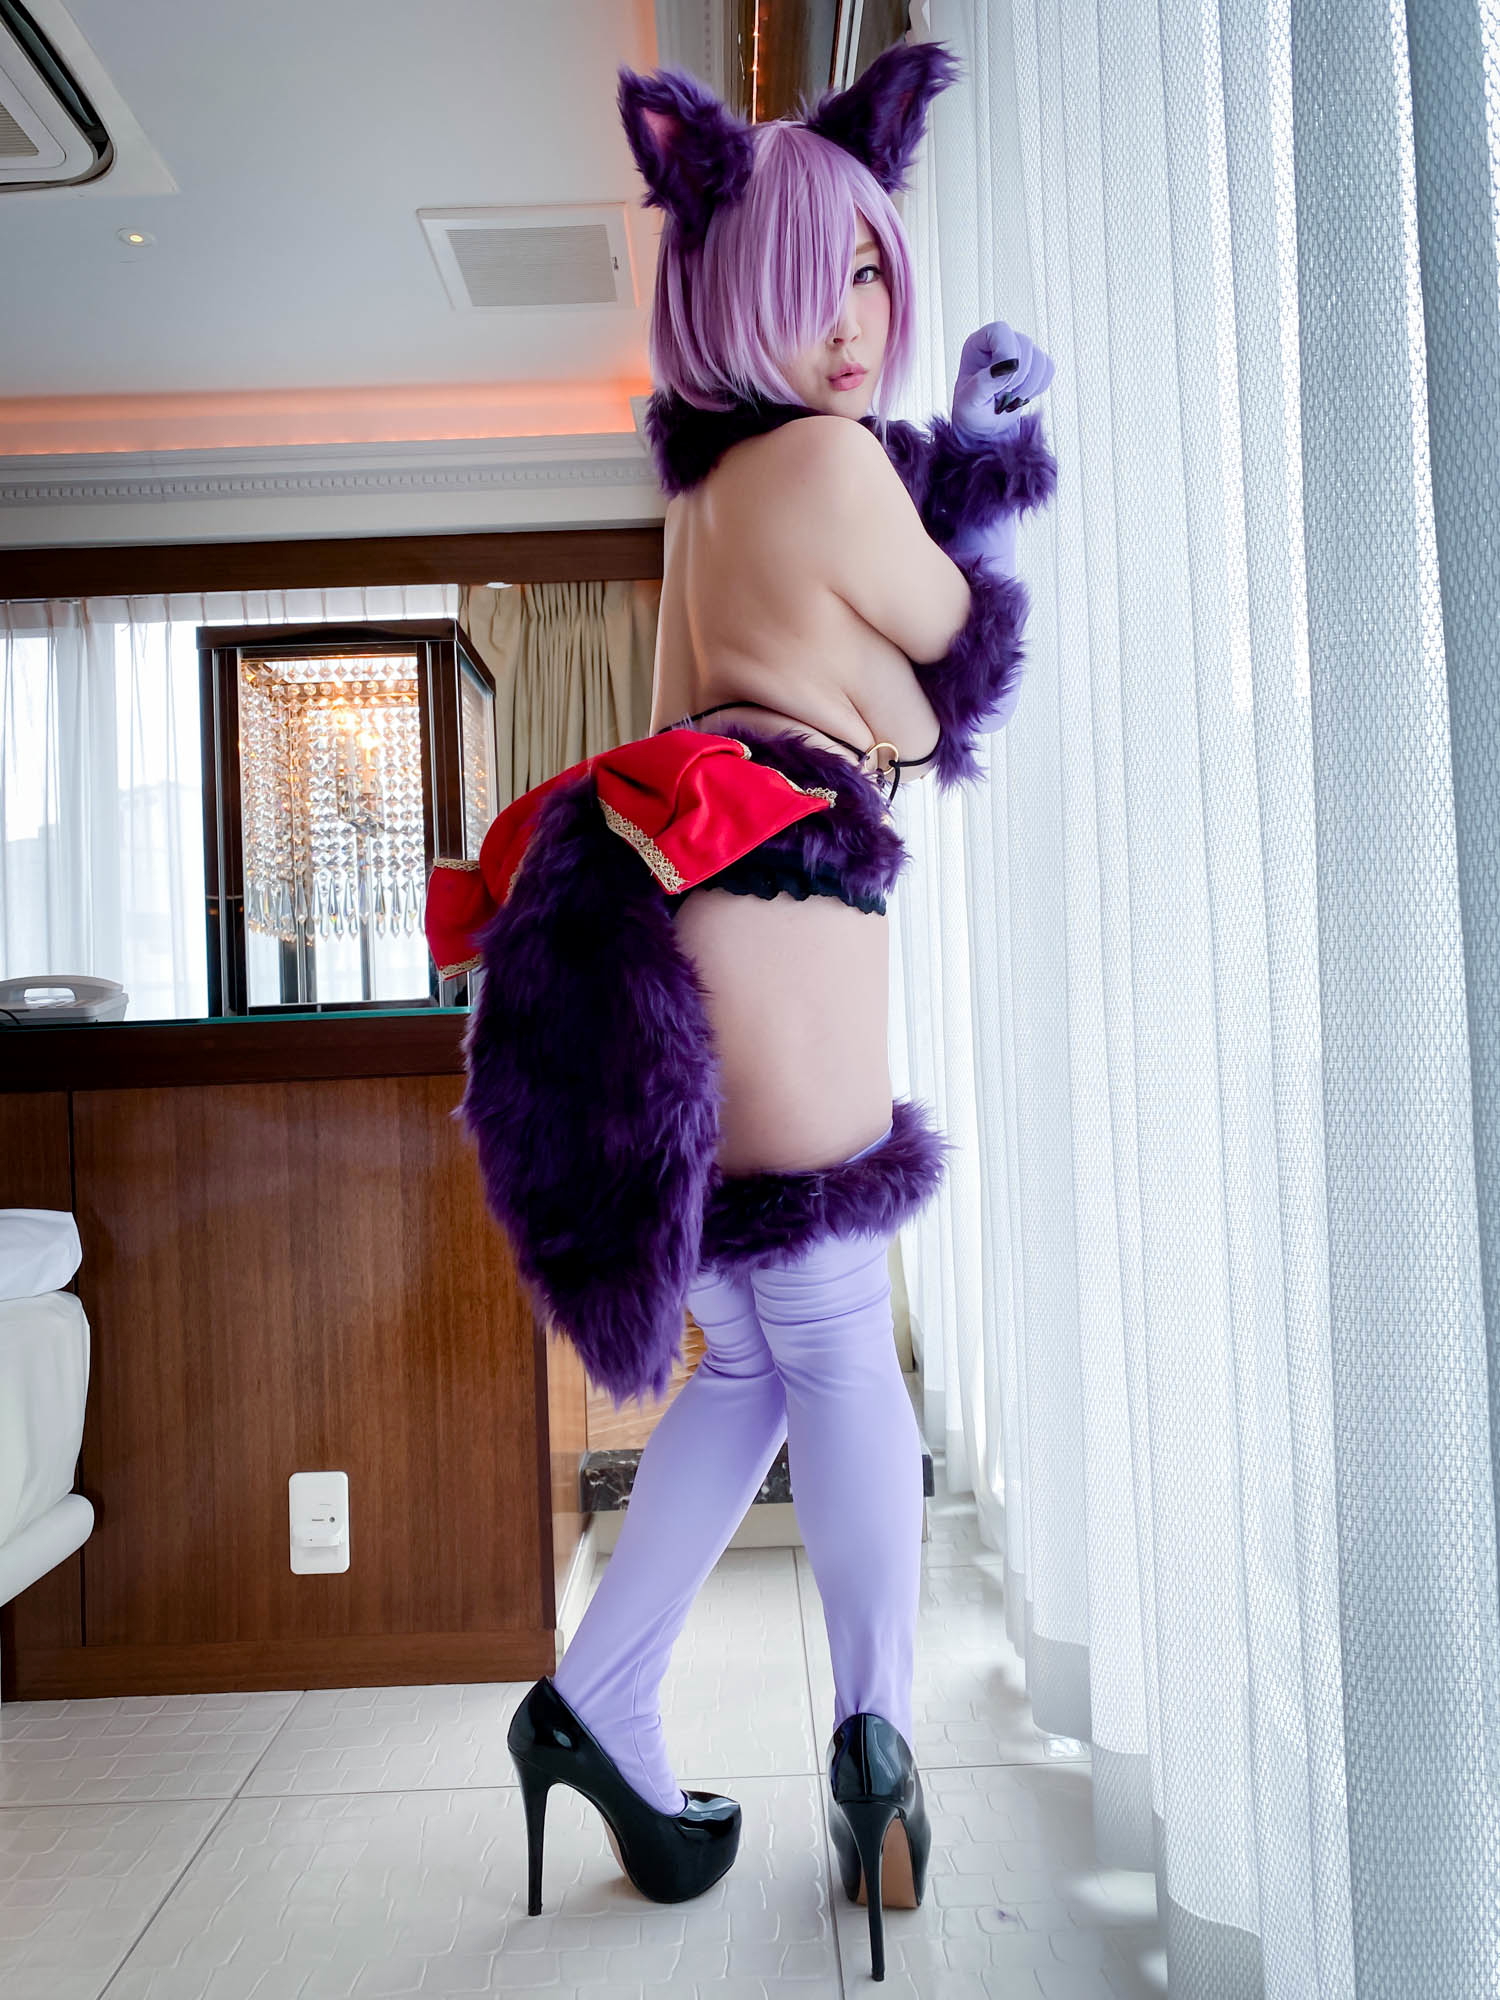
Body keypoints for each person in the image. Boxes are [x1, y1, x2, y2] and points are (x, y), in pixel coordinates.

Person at [422, 40, 1054, 1982]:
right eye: (817, 275)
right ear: (733, 287)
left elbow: (824, 685)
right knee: (839, 1329)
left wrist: (905, 625)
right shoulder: (833, 464)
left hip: (675, 900)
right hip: (791, 889)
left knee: (753, 1354)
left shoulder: (705, 493)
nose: (857, 318)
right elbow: (957, 674)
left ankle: (597, 1697)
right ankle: (875, 1747)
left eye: (873, 270)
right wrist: (980, 470)